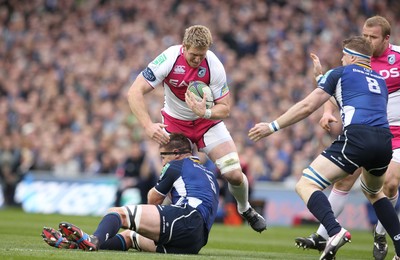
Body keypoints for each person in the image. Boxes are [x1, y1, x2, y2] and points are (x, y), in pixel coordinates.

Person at [248, 36, 400, 260]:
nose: (341, 58)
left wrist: (272, 126)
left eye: (343, 55)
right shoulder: (379, 80)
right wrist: (320, 77)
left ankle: (334, 231)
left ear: (352, 57)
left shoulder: (340, 72)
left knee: (306, 183)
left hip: (358, 137)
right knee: (375, 193)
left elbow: (308, 105)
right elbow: (349, 96)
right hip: (385, 142)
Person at [126, 25, 266, 232]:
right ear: (184, 47)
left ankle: (245, 208)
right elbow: (134, 91)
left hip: (207, 124)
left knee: (234, 174)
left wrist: (206, 113)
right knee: (167, 181)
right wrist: (147, 126)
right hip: (175, 124)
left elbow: (225, 108)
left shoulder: (214, 65)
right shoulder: (169, 58)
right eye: (193, 55)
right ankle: (147, 229)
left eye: (202, 55)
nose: (197, 60)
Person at [294, 16, 400, 260]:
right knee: (343, 181)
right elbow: (333, 91)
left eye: (373, 37)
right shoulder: (356, 58)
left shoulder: (397, 58)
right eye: (365, 35)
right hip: (365, 131)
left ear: (386, 38)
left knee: (390, 183)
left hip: (395, 135)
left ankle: (381, 234)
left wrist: (274, 126)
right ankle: (323, 235)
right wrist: (328, 112)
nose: (367, 41)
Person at [41, 133, 219, 254]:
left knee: (117, 213)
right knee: (129, 237)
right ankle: (76, 244)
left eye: (163, 156)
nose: (163, 162)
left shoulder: (176, 165)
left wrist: (146, 219)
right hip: (195, 242)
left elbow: (153, 199)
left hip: (186, 219)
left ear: (175, 153)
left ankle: (93, 239)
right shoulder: (209, 174)